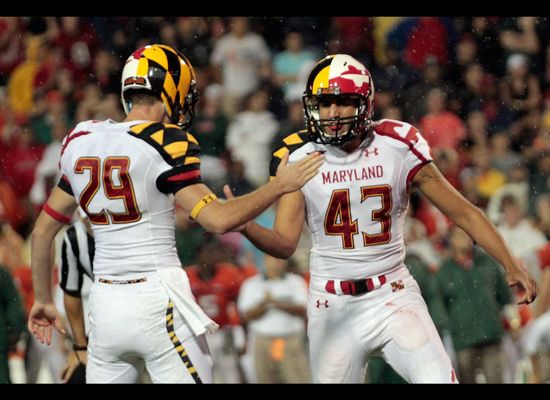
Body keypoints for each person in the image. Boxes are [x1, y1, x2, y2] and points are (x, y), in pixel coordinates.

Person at [226, 54, 537, 383]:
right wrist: (247, 226)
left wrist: (509, 260)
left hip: (393, 293)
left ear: (365, 104)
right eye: (324, 103)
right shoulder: (300, 157)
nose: (332, 113)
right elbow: (284, 243)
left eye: (343, 103)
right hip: (331, 303)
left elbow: (461, 210)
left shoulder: (396, 146)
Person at [27, 44, 323, 384]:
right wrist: (278, 186)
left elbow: (42, 232)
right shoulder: (164, 141)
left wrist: (43, 299)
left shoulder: (82, 138)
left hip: (105, 308)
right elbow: (218, 219)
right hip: (156, 300)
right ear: (170, 88)